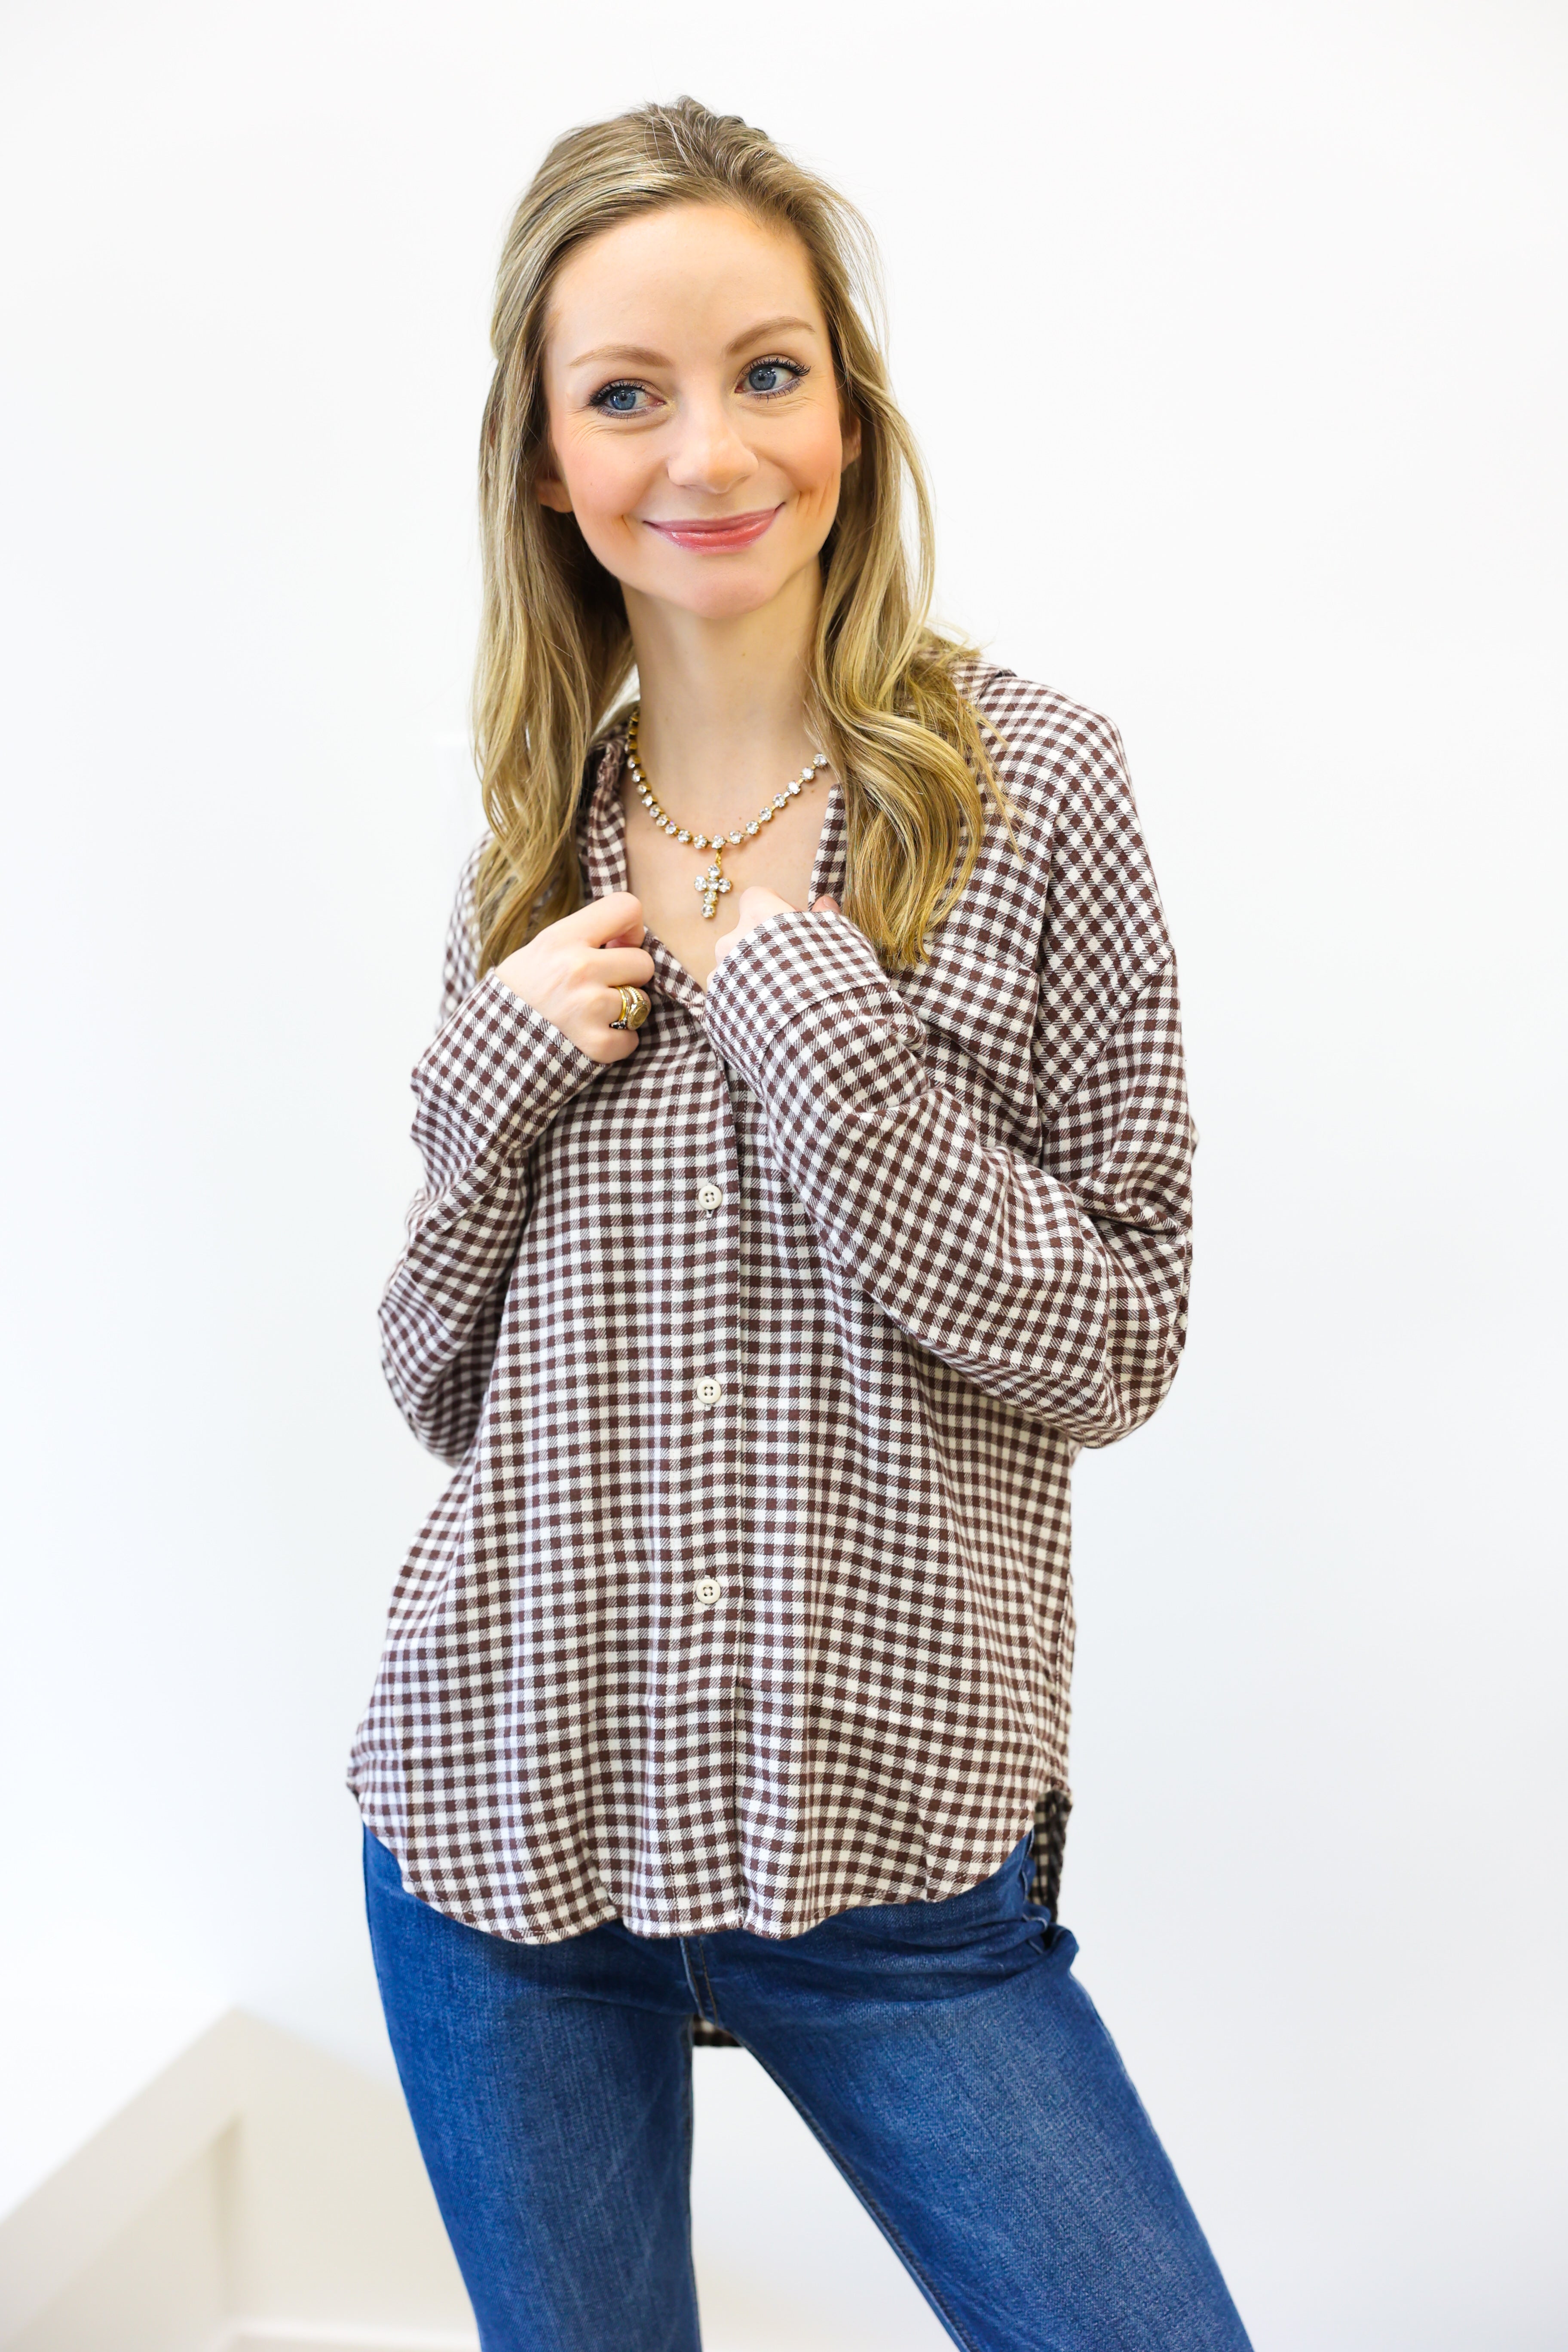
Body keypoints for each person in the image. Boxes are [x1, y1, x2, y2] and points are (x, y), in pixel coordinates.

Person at [351, 96, 1252, 2352]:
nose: (707, 448)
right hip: (503, 1833)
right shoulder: (525, 857)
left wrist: (809, 1023)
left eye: (767, 369)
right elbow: (437, 1384)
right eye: (626, 395)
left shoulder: (1030, 788)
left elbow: (1120, 1337)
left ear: (848, 407)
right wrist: (496, 1076)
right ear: (549, 464)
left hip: (900, 1871)